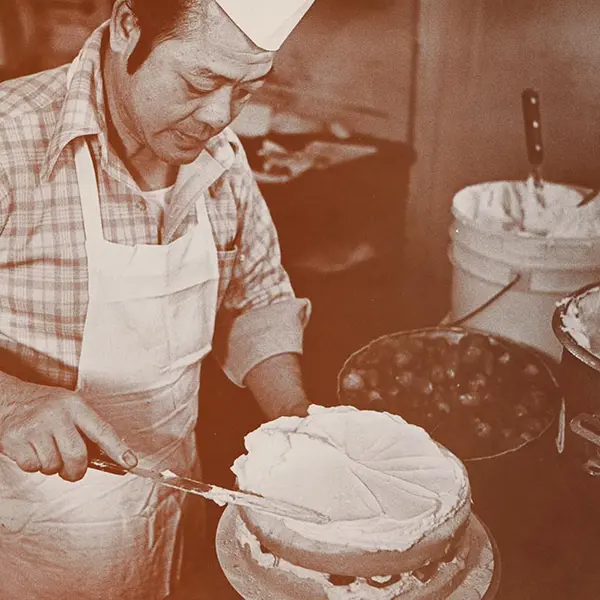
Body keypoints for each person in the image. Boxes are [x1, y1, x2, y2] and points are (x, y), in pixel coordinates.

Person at [0, 0, 316, 598]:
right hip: (22, 537)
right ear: (127, 26)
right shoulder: (10, 141)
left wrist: (296, 420)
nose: (220, 116)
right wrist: (9, 399)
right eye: (200, 82)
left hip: (167, 509)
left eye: (246, 89)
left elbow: (254, 296)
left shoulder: (222, 160)